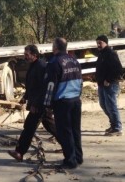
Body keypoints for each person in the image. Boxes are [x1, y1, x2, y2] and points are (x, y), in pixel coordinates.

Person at [8, 45, 57, 162]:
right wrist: (25, 97)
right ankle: (69, 146)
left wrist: (36, 104)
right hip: (38, 103)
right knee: (51, 126)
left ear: (34, 55)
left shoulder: (40, 66)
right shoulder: (33, 65)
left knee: (29, 127)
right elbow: (32, 86)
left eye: (27, 55)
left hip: (40, 105)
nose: (25, 57)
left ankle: (19, 152)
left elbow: (43, 88)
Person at [43, 37, 83, 169]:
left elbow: (50, 85)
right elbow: (80, 82)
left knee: (65, 132)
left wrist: (47, 104)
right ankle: (78, 156)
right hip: (76, 100)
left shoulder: (54, 62)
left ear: (55, 48)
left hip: (62, 102)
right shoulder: (74, 60)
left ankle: (70, 160)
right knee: (75, 130)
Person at [95, 35, 123, 136]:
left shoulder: (111, 54)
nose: (98, 45)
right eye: (97, 43)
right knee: (103, 105)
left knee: (111, 106)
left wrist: (109, 80)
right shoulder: (101, 54)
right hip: (101, 84)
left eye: (100, 43)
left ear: (106, 43)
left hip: (110, 84)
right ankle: (113, 124)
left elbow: (119, 70)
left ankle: (117, 127)